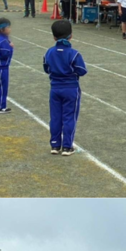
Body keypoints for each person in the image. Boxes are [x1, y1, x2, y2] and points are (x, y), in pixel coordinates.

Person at [43, 18, 87, 156]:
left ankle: (55, 145)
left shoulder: (49, 52)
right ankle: (67, 146)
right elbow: (82, 70)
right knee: (69, 117)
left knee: (55, 117)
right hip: (71, 88)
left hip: (55, 88)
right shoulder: (73, 53)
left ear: (54, 36)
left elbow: (46, 68)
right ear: (71, 35)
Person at [0, 17, 14, 113]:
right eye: (8, 27)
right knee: (2, 87)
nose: (10, 29)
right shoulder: (3, 41)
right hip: (1, 67)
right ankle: (0, 106)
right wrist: (11, 47)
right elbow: (5, 54)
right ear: (2, 29)